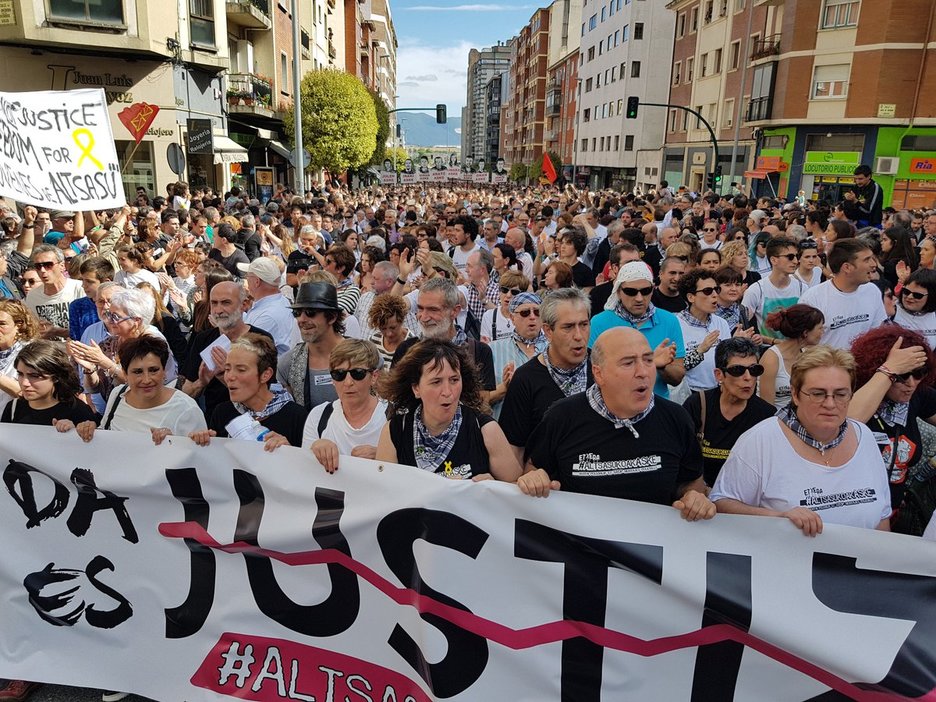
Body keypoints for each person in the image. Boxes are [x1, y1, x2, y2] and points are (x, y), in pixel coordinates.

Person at [518, 327, 716, 521]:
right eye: (628, 363)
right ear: (599, 373)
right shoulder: (561, 417)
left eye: (648, 360)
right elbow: (534, 470)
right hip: (579, 550)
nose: (642, 372)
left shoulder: (676, 418)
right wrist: (534, 480)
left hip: (651, 549)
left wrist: (694, 498)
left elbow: (691, 482)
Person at [711, 345, 891, 535]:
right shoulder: (760, 440)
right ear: (795, 394)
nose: (830, 404)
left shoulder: (865, 437)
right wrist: (777, 519)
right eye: (818, 394)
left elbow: (882, 518)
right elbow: (721, 505)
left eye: (840, 394)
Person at [375, 339, 522, 481]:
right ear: (416, 388)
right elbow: (385, 494)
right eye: (436, 382)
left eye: (454, 380)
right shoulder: (395, 431)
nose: (447, 391)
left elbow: (515, 490)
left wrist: (492, 487)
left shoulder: (486, 430)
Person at [846, 326, 934, 523]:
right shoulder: (855, 394)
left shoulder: (917, 396)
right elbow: (847, 422)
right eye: (902, 376)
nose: (911, 383)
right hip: (855, 514)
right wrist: (889, 370)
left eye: (919, 373)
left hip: (893, 512)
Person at [500, 288, 593, 464]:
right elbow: (514, 448)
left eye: (584, 324)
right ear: (548, 331)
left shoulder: (602, 367)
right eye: (568, 327)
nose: (579, 336)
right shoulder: (526, 379)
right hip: (545, 488)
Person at [61, 336, 206, 443]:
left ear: (164, 372)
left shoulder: (186, 409)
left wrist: (173, 443)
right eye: (137, 372)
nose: (147, 379)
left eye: (153, 370)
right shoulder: (118, 394)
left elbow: (198, 460)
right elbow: (105, 436)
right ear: (125, 373)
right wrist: (84, 430)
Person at [682, 337, 776, 486]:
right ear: (719, 375)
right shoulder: (697, 405)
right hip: (700, 495)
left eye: (754, 370)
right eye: (738, 370)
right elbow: (681, 459)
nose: (748, 378)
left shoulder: (766, 415)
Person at [190, 333, 308, 449]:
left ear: (265, 375)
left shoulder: (296, 416)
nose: (230, 377)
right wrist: (204, 442)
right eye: (227, 369)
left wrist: (288, 450)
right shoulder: (222, 412)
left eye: (241, 370)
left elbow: (306, 465)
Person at [589, 261, 685, 399]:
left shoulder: (669, 320)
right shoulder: (599, 322)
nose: (639, 298)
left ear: (653, 289)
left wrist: (662, 367)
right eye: (631, 292)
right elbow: (592, 374)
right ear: (618, 291)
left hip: (656, 409)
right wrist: (651, 362)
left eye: (645, 291)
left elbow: (677, 378)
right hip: (613, 407)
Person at [183, 281, 274, 419]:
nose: (218, 310)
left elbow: (265, 396)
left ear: (243, 305)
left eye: (226, 303)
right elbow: (187, 393)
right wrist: (201, 383)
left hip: (255, 423)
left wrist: (225, 375)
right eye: (214, 303)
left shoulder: (261, 340)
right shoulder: (203, 339)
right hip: (214, 424)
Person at [302, 339, 387, 472]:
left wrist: (384, 457)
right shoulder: (318, 416)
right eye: (339, 374)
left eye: (357, 373)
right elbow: (305, 472)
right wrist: (315, 448)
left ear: (374, 376)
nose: (348, 382)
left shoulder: (394, 417)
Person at [800, 239, 887, 350]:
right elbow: (804, 344)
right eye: (867, 260)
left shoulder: (872, 291)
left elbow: (876, 334)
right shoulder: (812, 299)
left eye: (872, 258)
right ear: (847, 267)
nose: (873, 264)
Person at [276, 281, 343, 411]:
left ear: (332, 317)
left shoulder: (363, 356)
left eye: (310, 312)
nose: (301, 319)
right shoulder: (288, 363)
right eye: (297, 313)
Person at [2, 339, 96, 426]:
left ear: (56, 376)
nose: (24, 383)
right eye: (20, 374)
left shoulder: (77, 411)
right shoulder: (13, 408)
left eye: (34, 376)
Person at [488, 292, 548, 419]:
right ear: (512, 317)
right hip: (504, 430)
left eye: (537, 312)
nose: (532, 317)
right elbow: (478, 400)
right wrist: (504, 388)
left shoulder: (553, 349)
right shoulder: (493, 349)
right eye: (525, 313)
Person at [676, 269, 736, 391]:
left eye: (716, 289)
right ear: (691, 297)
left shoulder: (721, 323)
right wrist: (700, 350)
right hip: (690, 393)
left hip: (718, 391)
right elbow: (675, 369)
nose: (715, 295)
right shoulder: (676, 324)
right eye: (707, 291)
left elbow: (727, 362)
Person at [759, 304, 825, 409]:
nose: (823, 332)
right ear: (806, 332)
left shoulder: (807, 355)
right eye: (820, 328)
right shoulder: (771, 359)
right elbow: (766, 406)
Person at [741, 236, 806, 342]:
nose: (795, 261)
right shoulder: (756, 290)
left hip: (797, 350)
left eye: (797, 256)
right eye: (790, 257)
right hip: (767, 350)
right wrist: (769, 341)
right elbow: (743, 325)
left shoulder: (802, 288)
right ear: (774, 260)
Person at [239, 257, 298, 355]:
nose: (246, 280)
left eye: (248, 276)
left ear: (257, 282)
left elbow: (245, 351)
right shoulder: (279, 301)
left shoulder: (267, 317)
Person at [25, 244, 85, 331]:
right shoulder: (33, 296)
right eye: (38, 266)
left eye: (48, 265)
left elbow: (87, 327)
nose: (42, 270)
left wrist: (57, 332)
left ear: (62, 266)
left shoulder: (79, 288)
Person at [0, 300, 39, 418]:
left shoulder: (32, 352)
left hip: (17, 423)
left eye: (2, 324)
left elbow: (28, 393)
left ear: (18, 325)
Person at [367, 293, 417, 367]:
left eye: (393, 327)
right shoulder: (373, 340)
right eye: (383, 328)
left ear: (401, 320)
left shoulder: (413, 345)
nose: (389, 333)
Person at [893, 268, 936, 349]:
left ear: (931, 297)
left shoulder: (934, 315)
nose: (909, 297)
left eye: (917, 295)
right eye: (906, 292)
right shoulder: (892, 311)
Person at [480, 270, 528, 343]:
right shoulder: (489, 316)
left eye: (514, 292)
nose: (508, 295)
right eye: (504, 290)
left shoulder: (528, 316)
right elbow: (485, 347)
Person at [842, 164, 883, 229]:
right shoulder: (857, 186)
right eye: (856, 179)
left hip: (871, 225)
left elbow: (868, 210)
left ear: (869, 176)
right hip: (857, 223)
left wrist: (855, 201)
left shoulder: (875, 188)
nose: (857, 182)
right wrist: (848, 199)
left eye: (860, 179)